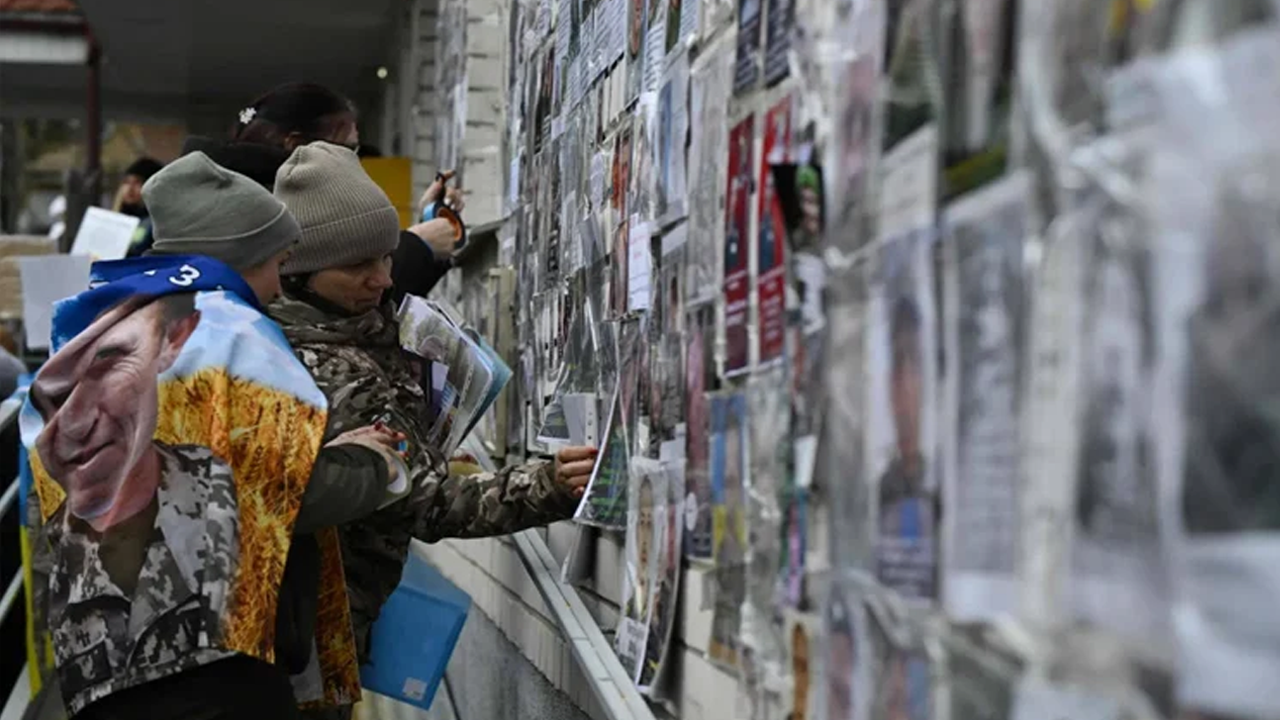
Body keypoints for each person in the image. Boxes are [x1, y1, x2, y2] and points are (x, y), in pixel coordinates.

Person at [25, 152, 405, 719]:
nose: (278, 284)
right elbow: (284, 492)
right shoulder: (231, 331)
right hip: (211, 660)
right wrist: (375, 462)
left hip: (103, 657)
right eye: (278, 262)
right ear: (242, 257)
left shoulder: (110, 323)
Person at [266, 142, 597, 718]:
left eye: (385, 257)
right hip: (314, 638)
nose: (380, 279)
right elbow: (427, 504)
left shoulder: (349, 332)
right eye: (357, 266)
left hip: (327, 629)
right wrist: (548, 485)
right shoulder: (325, 367)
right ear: (299, 272)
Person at [182, 82, 464, 305]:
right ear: (295, 146)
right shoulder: (252, 217)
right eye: (347, 149)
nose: (354, 162)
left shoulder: (225, 200)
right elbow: (330, 299)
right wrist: (418, 246)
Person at [114, 157, 163, 257]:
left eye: (137, 182)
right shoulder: (116, 219)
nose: (130, 189)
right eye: (127, 182)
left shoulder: (156, 223)